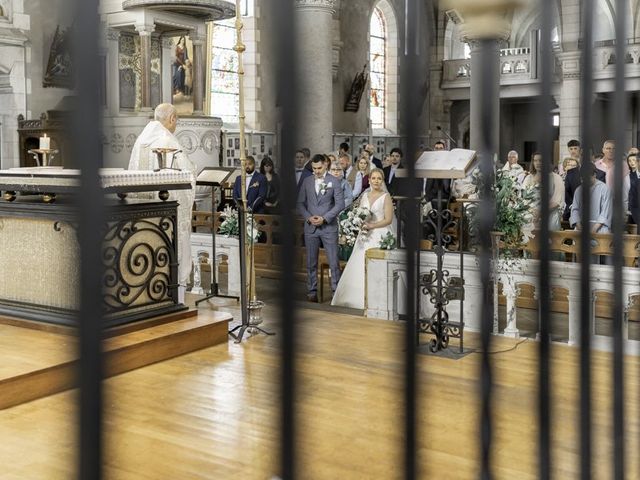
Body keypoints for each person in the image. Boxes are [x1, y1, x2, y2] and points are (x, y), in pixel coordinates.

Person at [128, 103, 196, 303]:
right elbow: (185, 175)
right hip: (169, 213)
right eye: (177, 120)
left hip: (145, 214)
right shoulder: (167, 139)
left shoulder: (141, 140)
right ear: (172, 118)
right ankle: (177, 300)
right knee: (174, 253)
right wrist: (193, 170)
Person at [332, 168, 396, 309]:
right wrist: (358, 223)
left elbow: (388, 219)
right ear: (370, 180)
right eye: (373, 178)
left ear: (382, 180)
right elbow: (359, 214)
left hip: (379, 233)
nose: (376, 181)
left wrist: (372, 225)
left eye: (379, 178)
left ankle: (379, 300)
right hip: (364, 234)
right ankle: (356, 299)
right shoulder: (365, 196)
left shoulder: (386, 197)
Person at [297, 154, 345, 302]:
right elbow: (300, 203)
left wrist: (324, 218)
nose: (317, 171)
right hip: (310, 227)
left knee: (333, 262)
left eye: (319, 168)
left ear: (325, 165)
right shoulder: (306, 181)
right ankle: (312, 292)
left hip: (328, 228)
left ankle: (336, 292)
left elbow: (340, 204)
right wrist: (308, 217)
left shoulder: (334, 181)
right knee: (311, 263)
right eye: (314, 168)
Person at [522, 152, 565, 232]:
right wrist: (532, 212)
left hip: (550, 218)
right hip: (531, 218)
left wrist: (540, 212)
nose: (538, 163)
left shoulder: (556, 178)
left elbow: (557, 201)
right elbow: (523, 198)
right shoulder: (528, 178)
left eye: (540, 160)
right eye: (535, 160)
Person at [570, 162, 612, 234]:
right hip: (581, 228)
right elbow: (575, 210)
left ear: (594, 175)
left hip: (599, 228)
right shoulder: (579, 190)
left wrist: (593, 231)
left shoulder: (604, 189)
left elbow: (605, 212)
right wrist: (580, 228)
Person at [627, 152, 640, 225]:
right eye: (629, 160)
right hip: (632, 208)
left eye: (634, 160)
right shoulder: (627, 176)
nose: (632, 162)